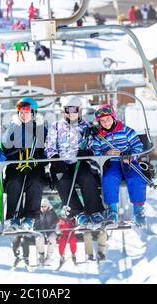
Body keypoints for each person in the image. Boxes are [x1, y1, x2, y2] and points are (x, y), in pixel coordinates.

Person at [45, 95, 105, 229]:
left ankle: (94, 210)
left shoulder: (86, 127)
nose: (71, 113)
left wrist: (87, 153)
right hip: (60, 163)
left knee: (87, 177)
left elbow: (93, 145)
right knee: (62, 182)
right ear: (63, 111)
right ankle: (78, 212)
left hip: (79, 161)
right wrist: (55, 158)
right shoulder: (56, 126)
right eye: (68, 110)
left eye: (74, 110)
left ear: (80, 110)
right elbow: (49, 145)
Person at [89, 104, 147, 228]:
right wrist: (107, 154)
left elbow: (138, 146)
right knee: (109, 179)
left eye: (108, 119)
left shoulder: (126, 131)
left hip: (128, 161)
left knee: (136, 178)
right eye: (102, 121)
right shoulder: (99, 137)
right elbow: (96, 152)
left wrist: (131, 156)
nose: (106, 123)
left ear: (113, 118)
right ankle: (112, 211)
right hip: (112, 162)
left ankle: (138, 211)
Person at [3, 97, 47, 232]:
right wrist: (14, 152)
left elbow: (49, 147)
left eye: (26, 112)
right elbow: (5, 146)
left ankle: (30, 217)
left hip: (34, 165)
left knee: (35, 182)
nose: (23, 115)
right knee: (14, 182)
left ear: (33, 113)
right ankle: (13, 216)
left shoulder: (41, 129)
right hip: (16, 164)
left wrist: (41, 156)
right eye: (21, 112)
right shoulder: (13, 128)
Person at [34, 198, 58, 266]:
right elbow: (35, 222)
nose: (43, 208)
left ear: (48, 205)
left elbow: (55, 221)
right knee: (39, 239)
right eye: (41, 206)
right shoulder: (38, 212)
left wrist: (53, 227)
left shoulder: (52, 212)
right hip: (40, 229)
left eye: (44, 206)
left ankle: (49, 256)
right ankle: (41, 254)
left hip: (50, 230)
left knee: (52, 239)